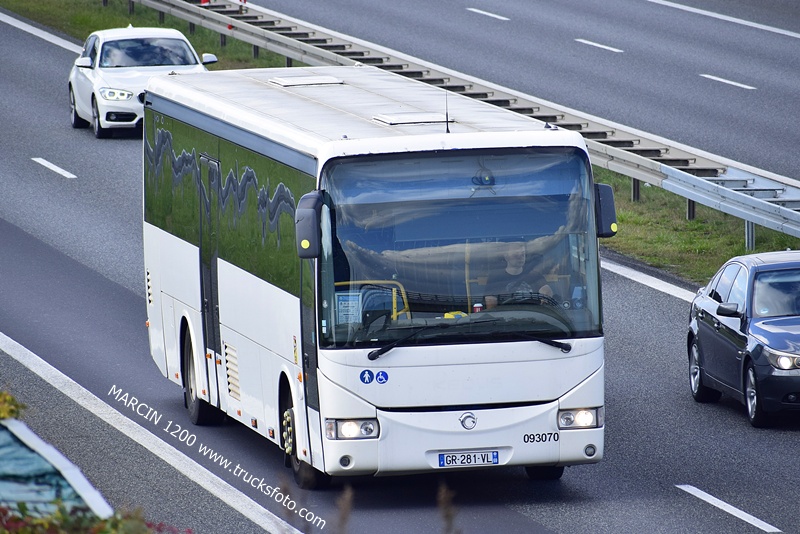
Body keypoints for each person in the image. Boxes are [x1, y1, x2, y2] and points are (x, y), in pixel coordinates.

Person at [484, 242, 554, 309]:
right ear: (506, 256)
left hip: (533, 317)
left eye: (522, 254)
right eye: (516, 255)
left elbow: (547, 291)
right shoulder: (495, 279)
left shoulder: (534, 276)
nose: (520, 258)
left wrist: (545, 300)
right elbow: (491, 305)